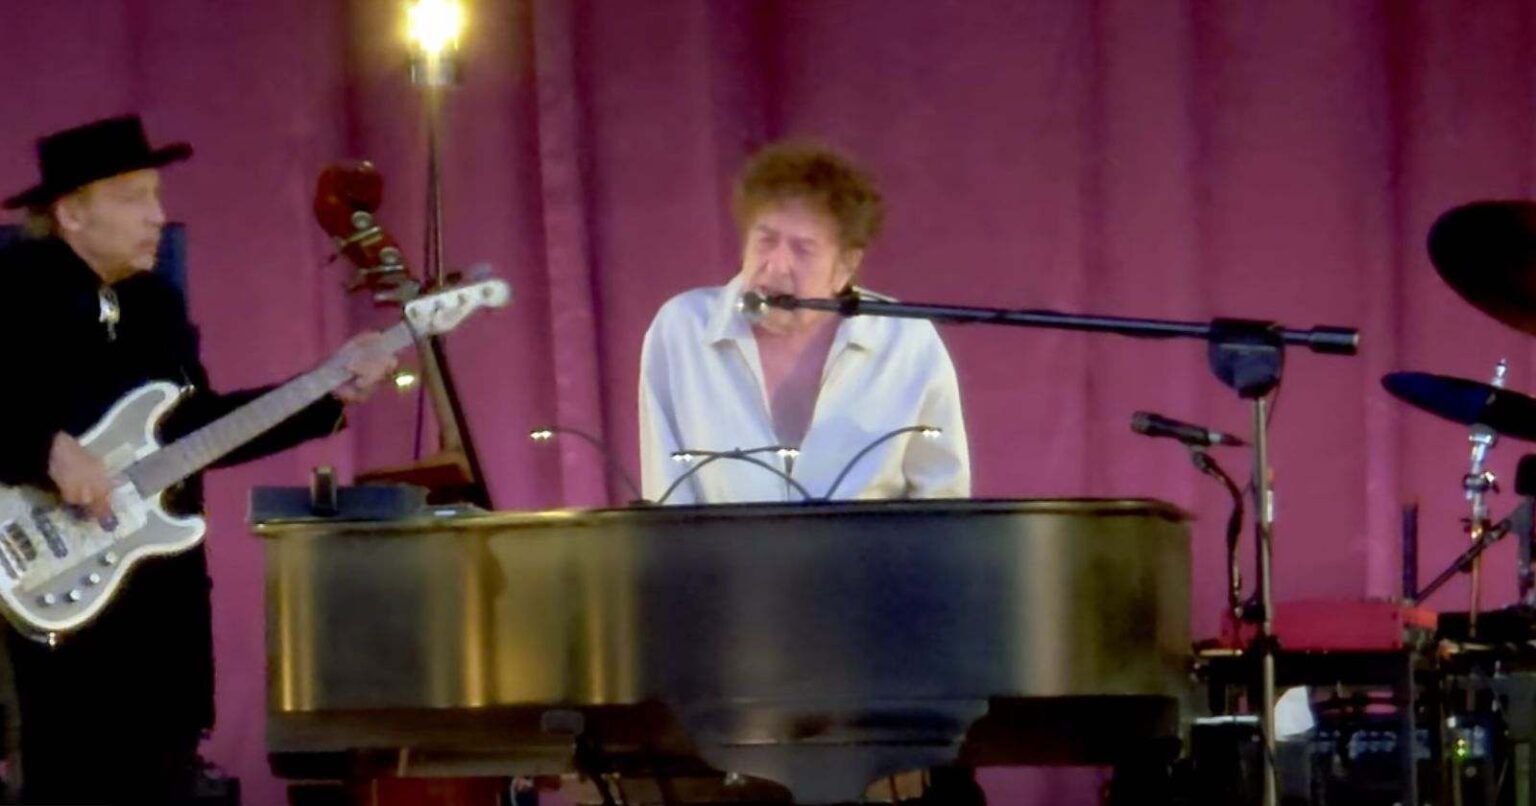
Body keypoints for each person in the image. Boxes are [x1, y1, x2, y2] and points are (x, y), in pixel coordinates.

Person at [0, 114, 395, 803]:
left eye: (156, 196)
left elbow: (196, 428)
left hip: (157, 606)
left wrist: (326, 391)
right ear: (71, 213)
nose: (157, 217)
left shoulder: (155, 304)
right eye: (133, 198)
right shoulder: (14, 288)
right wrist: (44, 447)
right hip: (43, 598)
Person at [638, 141, 970, 504]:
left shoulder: (906, 341)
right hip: (720, 545)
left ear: (845, 266)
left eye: (803, 249)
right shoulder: (683, 330)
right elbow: (666, 495)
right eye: (766, 241)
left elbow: (943, 496)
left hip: (872, 545)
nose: (777, 264)